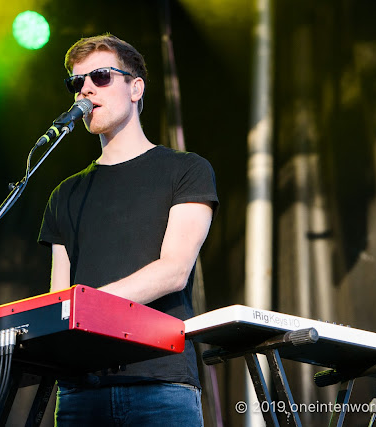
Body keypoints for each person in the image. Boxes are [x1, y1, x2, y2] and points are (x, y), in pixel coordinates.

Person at [38, 33, 218, 427]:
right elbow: (58, 297)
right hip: (80, 391)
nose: (85, 88)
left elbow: (173, 271)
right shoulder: (64, 195)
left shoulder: (186, 170)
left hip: (160, 380)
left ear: (136, 88)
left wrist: (85, 307)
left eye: (100, 77)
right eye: (76, 82)